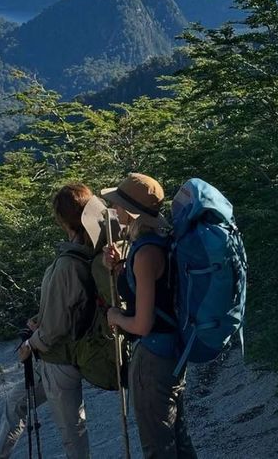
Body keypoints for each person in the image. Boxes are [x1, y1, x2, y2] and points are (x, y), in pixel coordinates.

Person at [0, 183, 99, 459]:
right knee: (16, 403)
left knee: (72, 433)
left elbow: (57, 326)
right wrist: (41, 317)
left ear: (62, 219)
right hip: (56, 356)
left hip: (60, 358)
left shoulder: (68, 263)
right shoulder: (88, 250)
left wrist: (31, 344)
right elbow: (71, 304)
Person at [102, 173, 197, 459]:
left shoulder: (145, 254)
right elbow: (157, 293)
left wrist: (115, 317)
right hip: (173, 351)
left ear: (131, 211)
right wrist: (120, 268)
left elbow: (143, 324)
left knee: (159, 448)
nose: (114, 209)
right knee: (178, 440)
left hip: (152, 359)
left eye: (118, 204)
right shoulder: (160, 242)